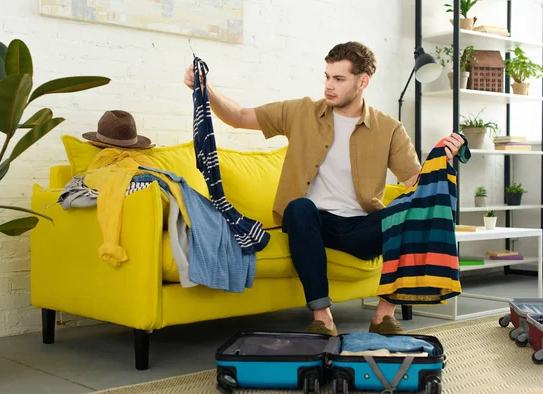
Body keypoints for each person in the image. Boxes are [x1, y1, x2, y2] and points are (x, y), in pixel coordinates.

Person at [183, 41, 465, 336]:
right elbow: (238, 116)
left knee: (413, 210)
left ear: (363, 81)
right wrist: (207, 88)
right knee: (299, 207)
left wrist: (441, 159)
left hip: (360, 227)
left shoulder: (389, 128)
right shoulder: (301, 112)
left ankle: (383, 315)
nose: (329, 86)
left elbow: (417, 186)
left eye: (339, 79)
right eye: (327, 77)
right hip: (311, 222)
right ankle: (323, 317)